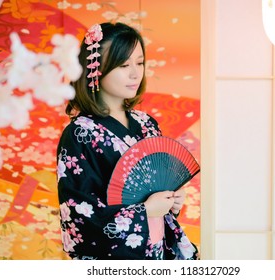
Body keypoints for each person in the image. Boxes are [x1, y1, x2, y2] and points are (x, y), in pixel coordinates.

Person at [56, 22, 198, 260]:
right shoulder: (79, 134)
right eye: (124, 65)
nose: (135, 73)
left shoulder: (146, 123)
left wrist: (170, 202)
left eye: (140, 62)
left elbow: (156, 193)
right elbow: (79, 216)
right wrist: (145, 211)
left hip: (158, 251)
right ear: (96, 69)